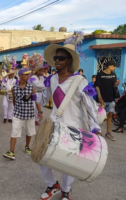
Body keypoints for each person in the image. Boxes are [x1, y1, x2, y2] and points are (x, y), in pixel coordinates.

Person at [34, 34, 102, 200]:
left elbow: (90, 106)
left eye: (61, 58)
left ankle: (65, 190)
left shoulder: (80, 81)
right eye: (56, 58)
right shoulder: (52, 79)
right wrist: (33, 94)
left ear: (69, 61)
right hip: (55, 125)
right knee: (42, 157)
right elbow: (44, 99)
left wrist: (95, 127)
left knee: (68, 163)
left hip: (74, 128)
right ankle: (52, 185)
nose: (57, 61)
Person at [3, 68, 41, 160]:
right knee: (14, 132)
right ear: (20, 76)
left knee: (29, 132)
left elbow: (36, 100)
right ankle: (11, 152)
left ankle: (27, 146)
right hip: (18, 115)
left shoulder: (32, 88)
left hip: (29, 115)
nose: (28, 76)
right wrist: (17, 109)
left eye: (28, 75)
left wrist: (39, 111)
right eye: (26, 75)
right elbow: (14, 101)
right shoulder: (14, 88)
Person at [95, 60, 119, 141]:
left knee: (110, 115)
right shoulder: (100, 74)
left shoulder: (113, 75)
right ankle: (96, 132)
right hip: (102, 99)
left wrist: (116, 84)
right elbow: (97, 86)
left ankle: (108, 133)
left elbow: (113, 86)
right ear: (109, 66)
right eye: (114, 66)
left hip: (111, 98)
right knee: (99, 116)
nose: (115, 67)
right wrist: (99, 96)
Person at [28, 53, 46, 126]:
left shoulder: (41, 77)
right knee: (32, 108)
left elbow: (42, 86)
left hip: (39, 94)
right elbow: (39, 86)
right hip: (32, 95)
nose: (43, 72)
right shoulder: (33, 77)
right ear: (37, 71)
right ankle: (31, 120)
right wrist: (47, 85)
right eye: (41, 71)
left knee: (38, 107)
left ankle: (36, 119)